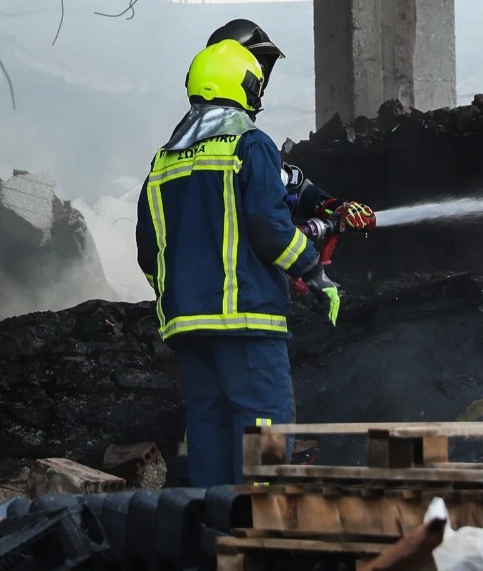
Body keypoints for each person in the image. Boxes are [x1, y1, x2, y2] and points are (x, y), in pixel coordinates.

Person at [136, 38, 343, 487]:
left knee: (207, 430)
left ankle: (212, 539)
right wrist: (314, 272)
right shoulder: (249, 145)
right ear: (244, 87)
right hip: (246, 323)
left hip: (188, 328)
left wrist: (177, 296)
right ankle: (257, 528)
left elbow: (148, 250)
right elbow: (268, 227)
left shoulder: (164, 160)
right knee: (263, 427)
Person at [204, 19, 377, 239]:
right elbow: (267, 231)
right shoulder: (248, 147)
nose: (260, 82)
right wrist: (306, 261)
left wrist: (332, 206)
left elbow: (286, 182)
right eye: (256, 70)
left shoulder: (180, 150)